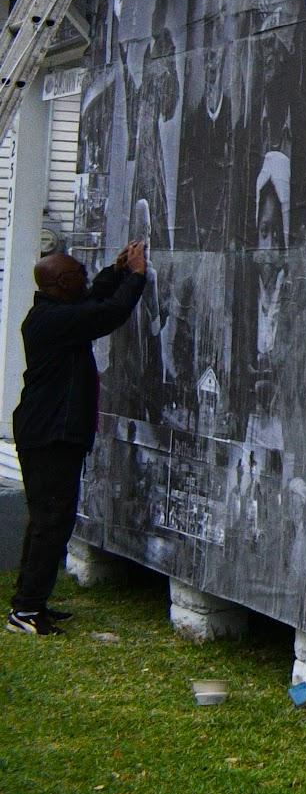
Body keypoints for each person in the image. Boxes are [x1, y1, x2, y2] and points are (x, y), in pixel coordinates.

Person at [9, 241, 148, 635]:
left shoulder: (56, 310)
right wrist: (136, 275)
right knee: (51, 521)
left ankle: (29, 603)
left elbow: (94, 298)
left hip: (50, 431)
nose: (86, 280)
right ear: (62, 283)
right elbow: (109, 313)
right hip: (49, 433)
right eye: (80, 276)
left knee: (47, 521)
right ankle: (26, 610)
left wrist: (117, 271)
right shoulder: (51, 321)